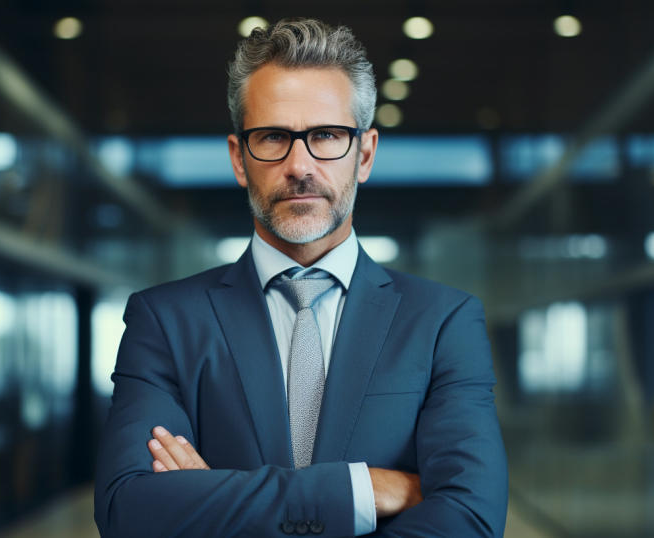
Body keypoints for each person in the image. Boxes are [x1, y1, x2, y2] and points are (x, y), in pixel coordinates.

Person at [94, 18, 507, 537]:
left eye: (327, 135)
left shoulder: (444, 321)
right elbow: (128, 510)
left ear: (365, 154)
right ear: (238, 158)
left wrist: (213, 500)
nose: (299, 165)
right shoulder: (165, 321)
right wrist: (361, 491)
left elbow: (470, 518)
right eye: (272, 137)